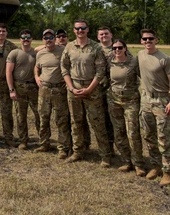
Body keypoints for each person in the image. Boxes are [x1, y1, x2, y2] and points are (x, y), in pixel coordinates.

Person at [60, 19, 113, 166]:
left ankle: (105, 155)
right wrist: (71, 87)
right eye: (77, 28)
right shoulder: (69, 47)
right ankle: (78, 151)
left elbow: (101, 71)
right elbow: (64, 68)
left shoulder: (95, 47)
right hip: (74, 88)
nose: (80, 30)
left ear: (88, 29)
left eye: (83, 28)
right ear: (74, 30)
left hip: (92, 89)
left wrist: (89, 89)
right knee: (76, 122)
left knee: (97, 122)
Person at [138, 28, 170, 187]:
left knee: (164, 138)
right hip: (146, 100)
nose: (148, 41)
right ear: (141, 41)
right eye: (145, 39)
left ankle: (168, 172)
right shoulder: (140, 55)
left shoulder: (164, 59)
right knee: (149, 135)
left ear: (156, 40)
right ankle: (156, 166)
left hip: (162, 100)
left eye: (151, 39)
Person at [106, 39, 145, 176]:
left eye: (120, 47)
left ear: (125, 48)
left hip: (131, 101)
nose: (117, 50)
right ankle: (126, 160)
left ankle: (138, 163)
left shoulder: (133, 62)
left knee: (133, 132)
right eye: (114, 48)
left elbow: (145, 77)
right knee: (119, 131)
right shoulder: (109, 62)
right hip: (114, 100)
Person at [34, 28, 71, 158]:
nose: (48, 40)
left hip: (59, 89)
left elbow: (70, 66)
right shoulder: (40, 53)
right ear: (43, 39)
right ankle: (44, 144)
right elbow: (37, 67)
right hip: (44, 89)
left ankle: (63, 148)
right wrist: (37, 77)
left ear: (55, 38)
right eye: (46, 38)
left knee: (61, 119)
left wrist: (68, 81)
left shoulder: (63, 51)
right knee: (43, 118)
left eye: (51, 38)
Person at [6, 29, 39, 150]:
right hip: (19, 87)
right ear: (20, 39)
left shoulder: (36, 54)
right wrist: (11, 90)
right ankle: (23, 140)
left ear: (31, 39)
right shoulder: (14, 53)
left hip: (33, 88)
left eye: (28, 37)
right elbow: (8, 72)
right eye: (23, 37)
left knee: (39, 114)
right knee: (21, 116)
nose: (26, 39)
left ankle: (43, 140)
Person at [96, 26, 117, 147]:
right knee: (99, 118)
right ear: (98, 37)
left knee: (111, 119)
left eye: (106, 34)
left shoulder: (118, 48)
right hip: (97, 88)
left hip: (113, 88)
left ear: (111, 35)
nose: (104, 36)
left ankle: (111, 145)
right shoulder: (94, 49)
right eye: (101, 34)